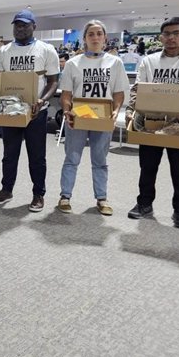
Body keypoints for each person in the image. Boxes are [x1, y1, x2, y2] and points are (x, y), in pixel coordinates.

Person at [126, 17, 179, 228]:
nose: (171, 38)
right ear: (161, 37)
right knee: (147, 167)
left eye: (176, 33)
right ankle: (144, 204)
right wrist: (130, 111)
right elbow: (137, 90)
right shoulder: (150, 60)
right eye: (167, 34)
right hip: (151, 122)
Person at [0, 9, 60, 212]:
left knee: (37, 156)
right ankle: (6, 189)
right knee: (9, 154)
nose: (20, 28)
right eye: (17, 25)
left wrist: (41, 99)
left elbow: (53, 82)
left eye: (24, 25)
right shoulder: (3, 52)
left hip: (36, 112)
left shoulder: (46, 50)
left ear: (34, 27)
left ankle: (38, 194)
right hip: (10, 111)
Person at [57, 20, 128, 215]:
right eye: (91, 34)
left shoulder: (115, 63)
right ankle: (65, 196)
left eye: (99, 34)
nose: (95, 37)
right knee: (72, 158)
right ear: (85, 39)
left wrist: (115, 110)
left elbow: (119, 92)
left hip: (103, 117)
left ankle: (101, 198)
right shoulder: (73, 63)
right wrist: (66, 110)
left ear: (105, 37)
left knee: (100, 160)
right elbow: (66, 94)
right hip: (78, 116)